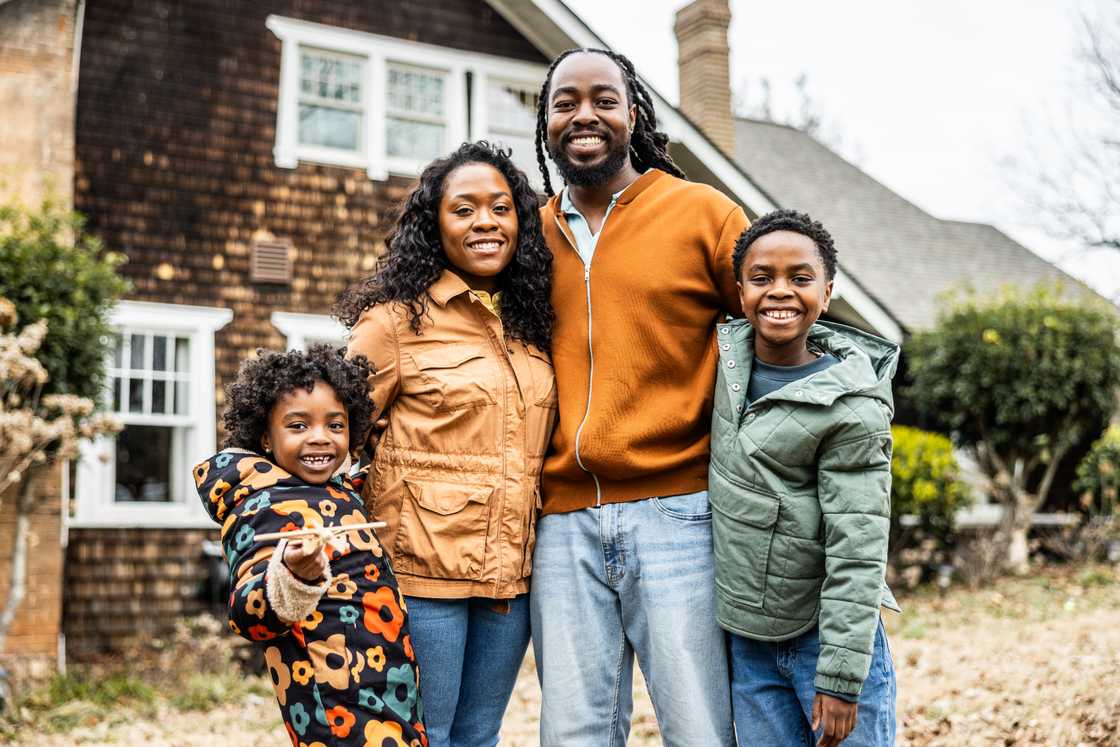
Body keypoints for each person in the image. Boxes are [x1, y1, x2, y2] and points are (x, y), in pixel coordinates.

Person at [529, 47, 746, 746]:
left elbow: (777, 329)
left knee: (700, 728)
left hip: (679, 512)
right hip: (561, 523)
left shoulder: (704, 214)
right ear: (546, 122)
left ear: (634, 113)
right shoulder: (525, 236)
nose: (583, 115)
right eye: (565, 102)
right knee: (572, 733)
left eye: (603, 99)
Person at [337, 141, 555, 747]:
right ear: (435, 224)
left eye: (501, 208)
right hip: (420, 575)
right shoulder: (392, 323)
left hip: (510, 577)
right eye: (464, 209)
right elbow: (335, 433)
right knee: (421, 734)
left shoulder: (531, 323)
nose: (485, 221)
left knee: (479, 735)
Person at [710, 209, 900, 747]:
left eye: (800, 278)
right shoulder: (722, 362)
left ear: (828, 290)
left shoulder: (852, 406)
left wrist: (841, 679)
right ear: (739, 289)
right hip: (748, 642)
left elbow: (857, 547)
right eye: (762, 277)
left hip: (826, 640)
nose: (780, 292)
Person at [195, 345, 425, 746]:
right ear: (266, 436)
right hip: (333, 707)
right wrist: (292, 576)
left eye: (335, 426)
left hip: (387, 687)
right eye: (298, 426)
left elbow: (337, 506)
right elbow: (248, 614)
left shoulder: (332, 491)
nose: (320, 439)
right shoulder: (260, 506)